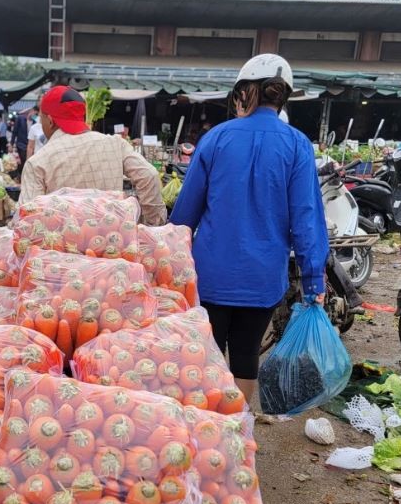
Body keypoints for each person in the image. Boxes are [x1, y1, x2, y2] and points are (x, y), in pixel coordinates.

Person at [170, 54, 329, 406]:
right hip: (263, 279)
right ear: (282, 96)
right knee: (246, 354)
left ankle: (204, 428)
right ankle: (237, 426)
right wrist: (313, 279)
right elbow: (307, 219)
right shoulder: (297, 144)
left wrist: (167, 265)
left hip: (210, 275)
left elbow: (183, 218)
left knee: (204, 357)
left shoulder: (216, 138)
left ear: (244, 92)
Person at [19, 85, 165, 226]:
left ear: (50, 121)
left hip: (60, 242)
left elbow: (27, 217)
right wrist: (152, 224)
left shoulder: (37, 162)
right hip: (113, 237)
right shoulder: (115, 143)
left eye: (41, 118)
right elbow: (149, 175)